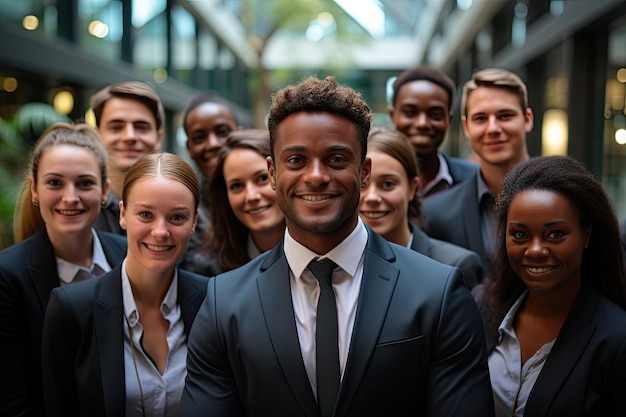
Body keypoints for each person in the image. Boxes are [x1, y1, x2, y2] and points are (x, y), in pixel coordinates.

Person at [180, 75, 494, 416]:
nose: (316, 176)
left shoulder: (439, 292)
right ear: (272, 172)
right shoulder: (222, 302)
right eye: (296, 160)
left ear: (364, 172)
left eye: (336, 159)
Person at [41, 153, 208, 417]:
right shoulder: (72, 309)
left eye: (177, 217)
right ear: (122, 214)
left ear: (194, 221)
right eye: (145, 214)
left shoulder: (213, 301)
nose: (160, 231)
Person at [478, 155, 626, 416]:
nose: (535, 250)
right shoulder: (481, 306)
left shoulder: (616, 339)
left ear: (586, 235)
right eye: (520, 235)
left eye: (555, 234)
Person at [0, 123, 127, 417]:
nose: (71, 197)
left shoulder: (129, 255)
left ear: (105, 191)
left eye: (84, 183)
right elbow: (12, 401)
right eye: (55, 183)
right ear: (34, 189)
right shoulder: (8, 276)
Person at [421, 68, 533, 275]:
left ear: (527, 119)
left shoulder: (567, 198)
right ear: (466, 127)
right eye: (481, 118)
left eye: (505, 116)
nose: (493, 128)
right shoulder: (434, 214)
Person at [359, 126, 483, 288]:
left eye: (388, 184)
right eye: (362, 184)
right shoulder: (334, 264)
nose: (372, 197)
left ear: (412, 188)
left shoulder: (453, 267)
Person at [182, 129, 285, 275]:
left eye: (262, 179)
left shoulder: (322, 253)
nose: (251, 196)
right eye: (236, 186)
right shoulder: (209, 270)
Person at [388, 65, 478, 197]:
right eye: (410, 113)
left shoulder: (476, 181)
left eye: (435, 115)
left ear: (449, 119)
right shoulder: (367, 180)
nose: (422, 124)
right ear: (392, 115)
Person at [90, 81, 165, 235]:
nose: (129, 136)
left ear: (158, 139)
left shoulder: (183, 206)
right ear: (96, 136)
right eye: (116, 127)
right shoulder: (77, 204)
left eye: (141, 127)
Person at [180, 92, 240, 272]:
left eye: (222, 132)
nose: (213, 144)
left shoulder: (270, 192)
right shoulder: (184, 205)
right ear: (189, 148)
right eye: (199, 137)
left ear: (240, 133)